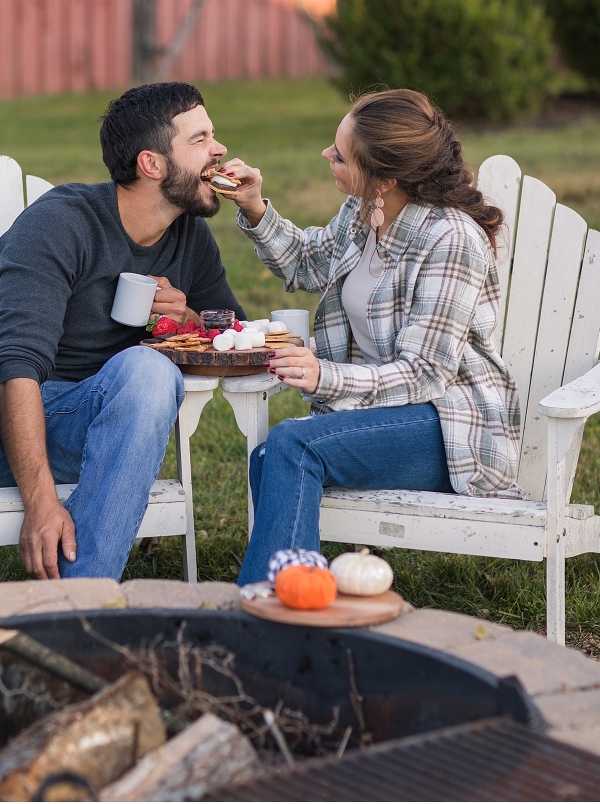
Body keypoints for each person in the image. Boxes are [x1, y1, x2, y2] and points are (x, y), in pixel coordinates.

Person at [0, 82, 244, 593]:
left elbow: (232, 336)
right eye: (200, 140)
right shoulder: (61, 223)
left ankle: (78, 604)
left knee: (150, 369)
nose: (219, 150)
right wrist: (42, 500)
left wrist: (186, 319)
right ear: (151, 164)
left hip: (80, 431)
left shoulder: (188, 237)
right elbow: (16, 363)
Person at [218, 88, 521, 585]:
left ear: (385, 178)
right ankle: (299, 595)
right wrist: (253, 206)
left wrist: (324, 377)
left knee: (292, 445)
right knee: (271, 456)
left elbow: (426, 375)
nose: (326, 156)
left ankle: (268, 609)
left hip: (449, 426)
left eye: (340, 155)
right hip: (384, 413)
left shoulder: (451, 240)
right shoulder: (366, 212)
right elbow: (307, 262)